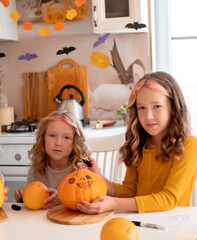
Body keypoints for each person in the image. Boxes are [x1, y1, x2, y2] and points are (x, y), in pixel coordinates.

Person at [77, 71, 197, 214]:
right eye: (142, 108)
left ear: (173, 107)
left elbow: (168, 199)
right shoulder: (138, 144)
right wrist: (100, 180)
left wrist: (114, 203)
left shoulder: (188, 145)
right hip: (141, 223)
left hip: (174, 227)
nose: (148, 116)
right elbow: (130, 191)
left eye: (156, 106)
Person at [14, 109, 90, 209]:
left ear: (75, 142)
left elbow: (93, 199)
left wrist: (63, 197)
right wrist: (22, 196)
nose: (58, 143)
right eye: (52, 135)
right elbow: (31, 202)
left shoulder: (83, 169)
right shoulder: (37, 167)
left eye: (66, 138)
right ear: (43, 138)